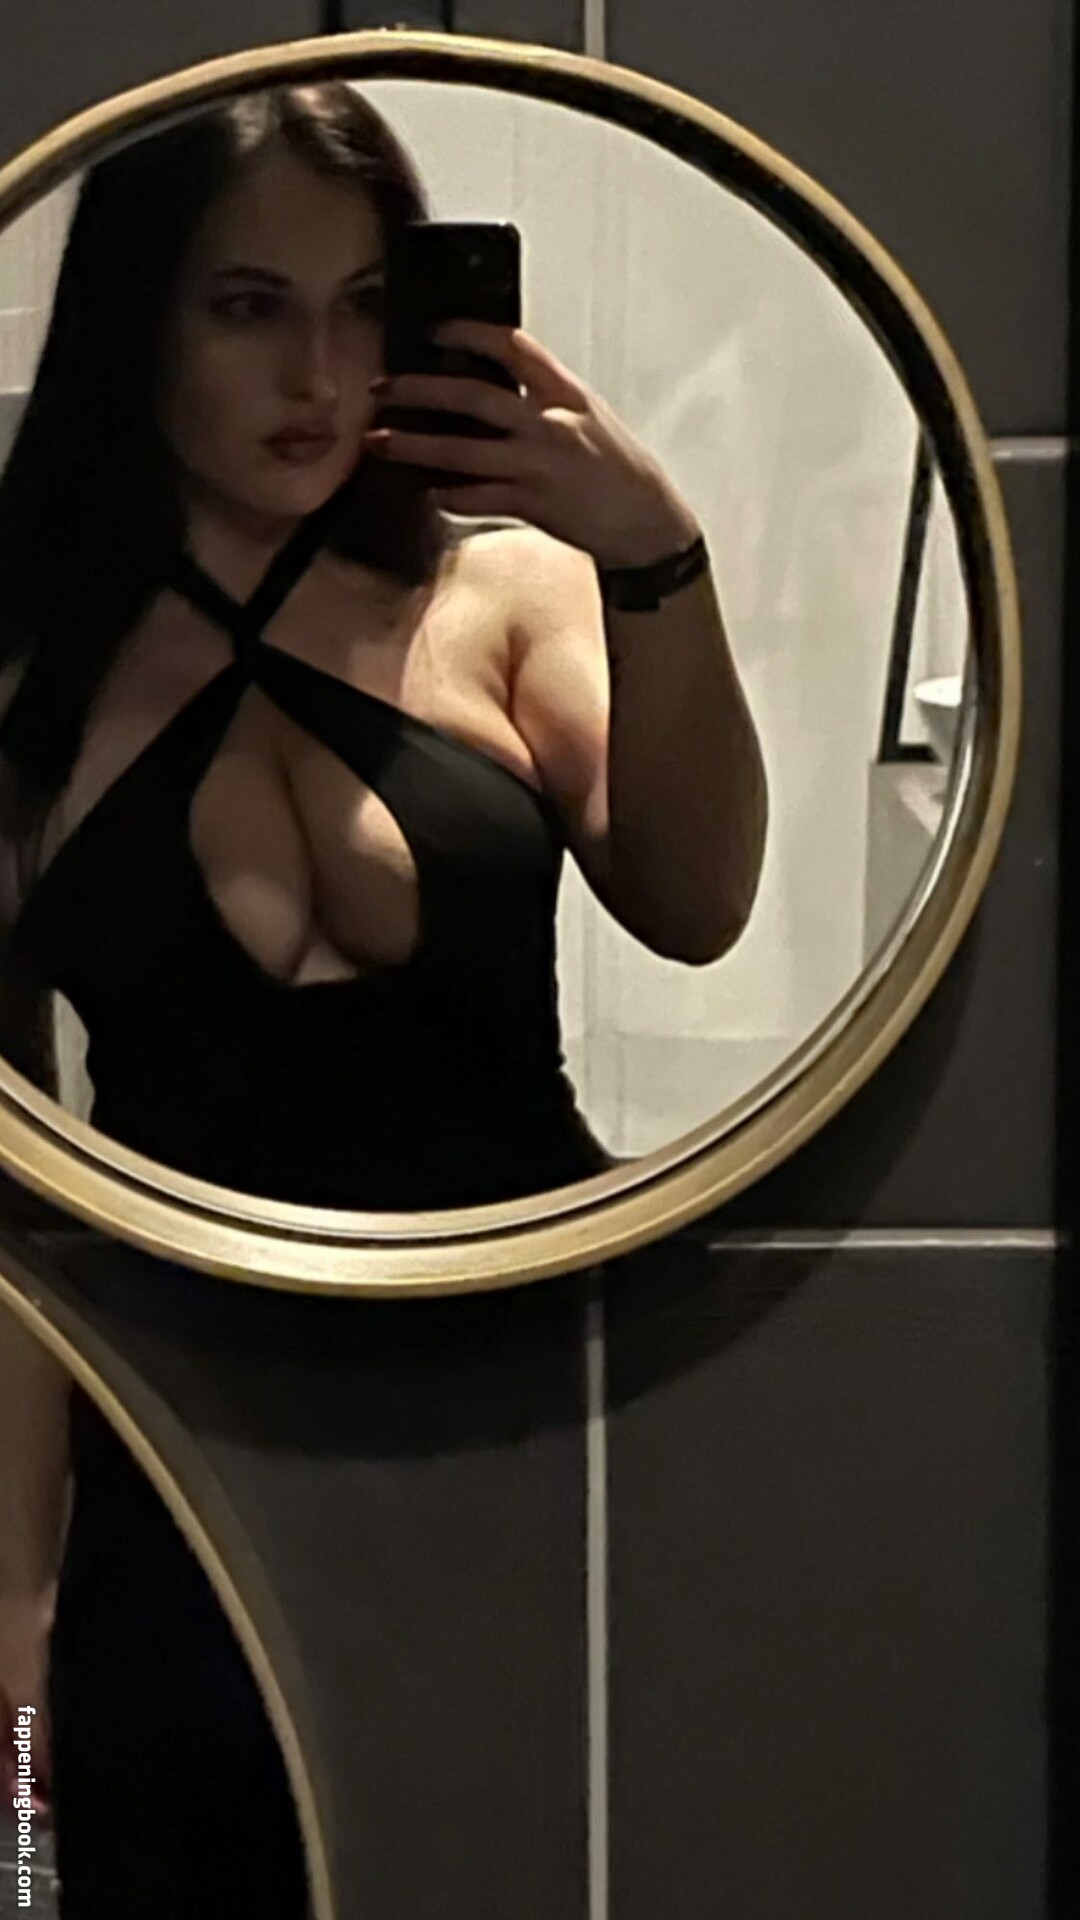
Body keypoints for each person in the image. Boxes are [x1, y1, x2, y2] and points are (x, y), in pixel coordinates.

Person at [0, 82, 767, 1915]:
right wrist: (16, 1616)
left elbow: (699, 904)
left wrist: (655, 554)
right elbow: (18, 1207)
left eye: (364, 306)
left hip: (538, 1363)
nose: (321, 374)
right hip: (185, 1426)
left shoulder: (507, 596)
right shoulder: (29, 675)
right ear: (135, 323)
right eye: (248, 306)